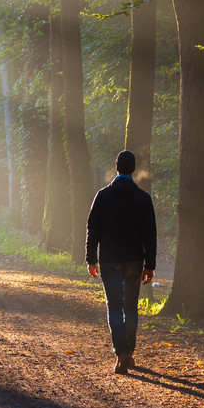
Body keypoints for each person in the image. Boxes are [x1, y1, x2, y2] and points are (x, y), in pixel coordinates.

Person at [86, 150, 157, 374]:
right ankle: (128, 351)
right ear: (133, 170)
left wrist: (91, 258)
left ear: (117, 168)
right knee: (131, 308)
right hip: (134, 261)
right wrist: (150, 265)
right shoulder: (143, 198)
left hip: (109, 260)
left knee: (114, 306)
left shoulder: (102, 196)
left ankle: (121, 353)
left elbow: (92, 229)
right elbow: (150, 234)